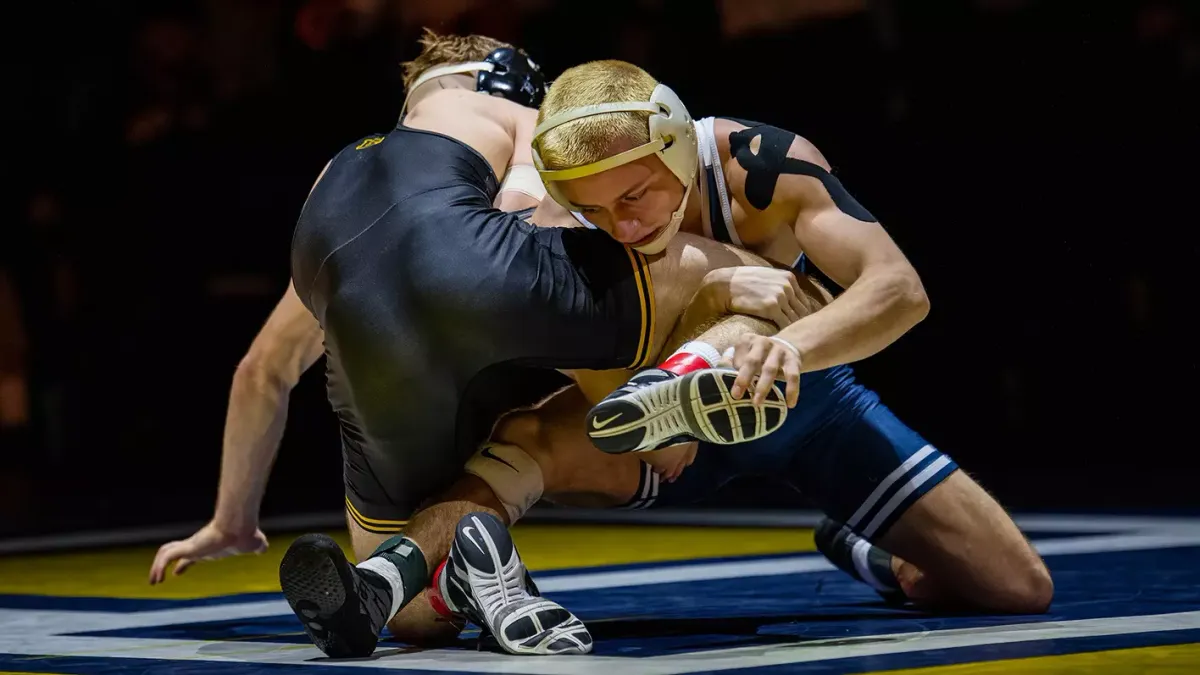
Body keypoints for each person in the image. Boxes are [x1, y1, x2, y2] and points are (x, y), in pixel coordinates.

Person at [146, 31, 798, 658]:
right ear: (508, 77)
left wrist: (231, 520)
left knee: (401, 611)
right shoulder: (506, 106)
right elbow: (528, 213)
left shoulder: (340, 173)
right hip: (476, 275)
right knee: (685, 264)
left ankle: (458, 577)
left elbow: (262, 370)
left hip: (365, 338)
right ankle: (742, 327)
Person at [502, 59, 1053, 615]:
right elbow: (598, 376)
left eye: (634, 196)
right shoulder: (556, 228)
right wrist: (708, 310)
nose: (621, 227)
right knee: (510, 450)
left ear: (675, 145)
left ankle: (870, 550)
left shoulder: (756, 166)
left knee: (1018, 588)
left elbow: (899, 289)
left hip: (801, 397)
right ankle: (456, 583)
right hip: (651, 412)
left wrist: (791, 347)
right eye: (593, 208)